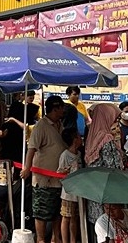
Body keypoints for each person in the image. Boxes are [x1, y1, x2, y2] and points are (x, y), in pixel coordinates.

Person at [21, 95, 66, 243]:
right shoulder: (41, 126)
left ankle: (55, 237)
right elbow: (31, 148)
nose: (63, 110)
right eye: (61, 107)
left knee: (57, 211)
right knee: (42, 211)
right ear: (55, 108)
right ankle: (40, 239)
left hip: (59, 179)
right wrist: (27, 168)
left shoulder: (60, 125)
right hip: (43, 180)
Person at [84, 103, 124, 224]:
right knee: (108, 227)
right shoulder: (107, 138)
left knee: (98, 226)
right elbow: (114, 167)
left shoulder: (93, 135)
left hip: (94, 190)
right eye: (114, 119)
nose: (116, 123)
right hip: (107, 194)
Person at [58, 128, 82, 243]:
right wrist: (66, 171)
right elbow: (59, 172)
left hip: (78, 192)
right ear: (74, 139)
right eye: (79, 136)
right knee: (66, 217)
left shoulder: (79, 154)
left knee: (74, 218)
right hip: (68, 193)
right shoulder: (65, 155)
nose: (81, 138)